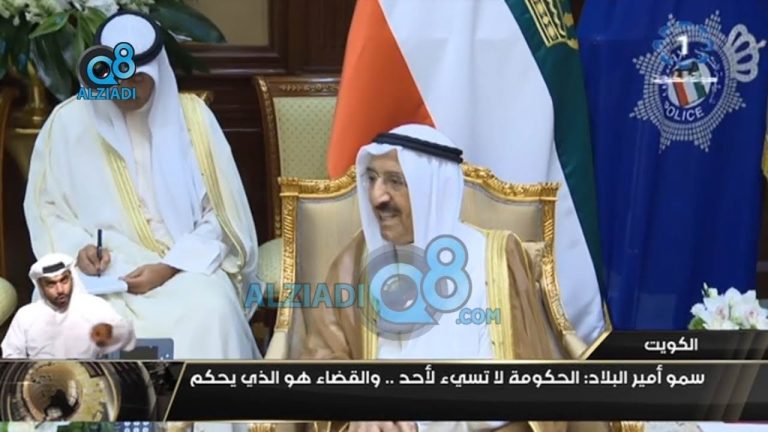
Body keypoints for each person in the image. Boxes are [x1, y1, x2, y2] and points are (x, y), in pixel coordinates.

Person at [300, 124, 613, 432]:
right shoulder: (356, 260)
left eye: (395, 181)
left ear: (432, 190)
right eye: (372, 179)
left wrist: (425, 423)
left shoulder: (494, 258)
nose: (377, 196)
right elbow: (322, 360)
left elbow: (518, 379)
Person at [23, 11, 261, 359]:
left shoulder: (194, 120)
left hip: (184, 265)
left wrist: (167, 268)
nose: (126, 91)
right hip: (99, 275)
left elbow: (221, 216)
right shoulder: (67, 122)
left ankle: (196, 398)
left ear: (156, 75)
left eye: (137, 80)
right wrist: (78, 252)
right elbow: (46, 209)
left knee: (213, 311)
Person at [1, 253, 136, 358]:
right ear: (41, 286)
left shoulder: (96, 307)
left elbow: (128, 340)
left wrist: (112, 333)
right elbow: (10, 354)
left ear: (72, 277)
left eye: (64, 280)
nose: (60, 290)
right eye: (51, 284)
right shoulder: (25, 316)